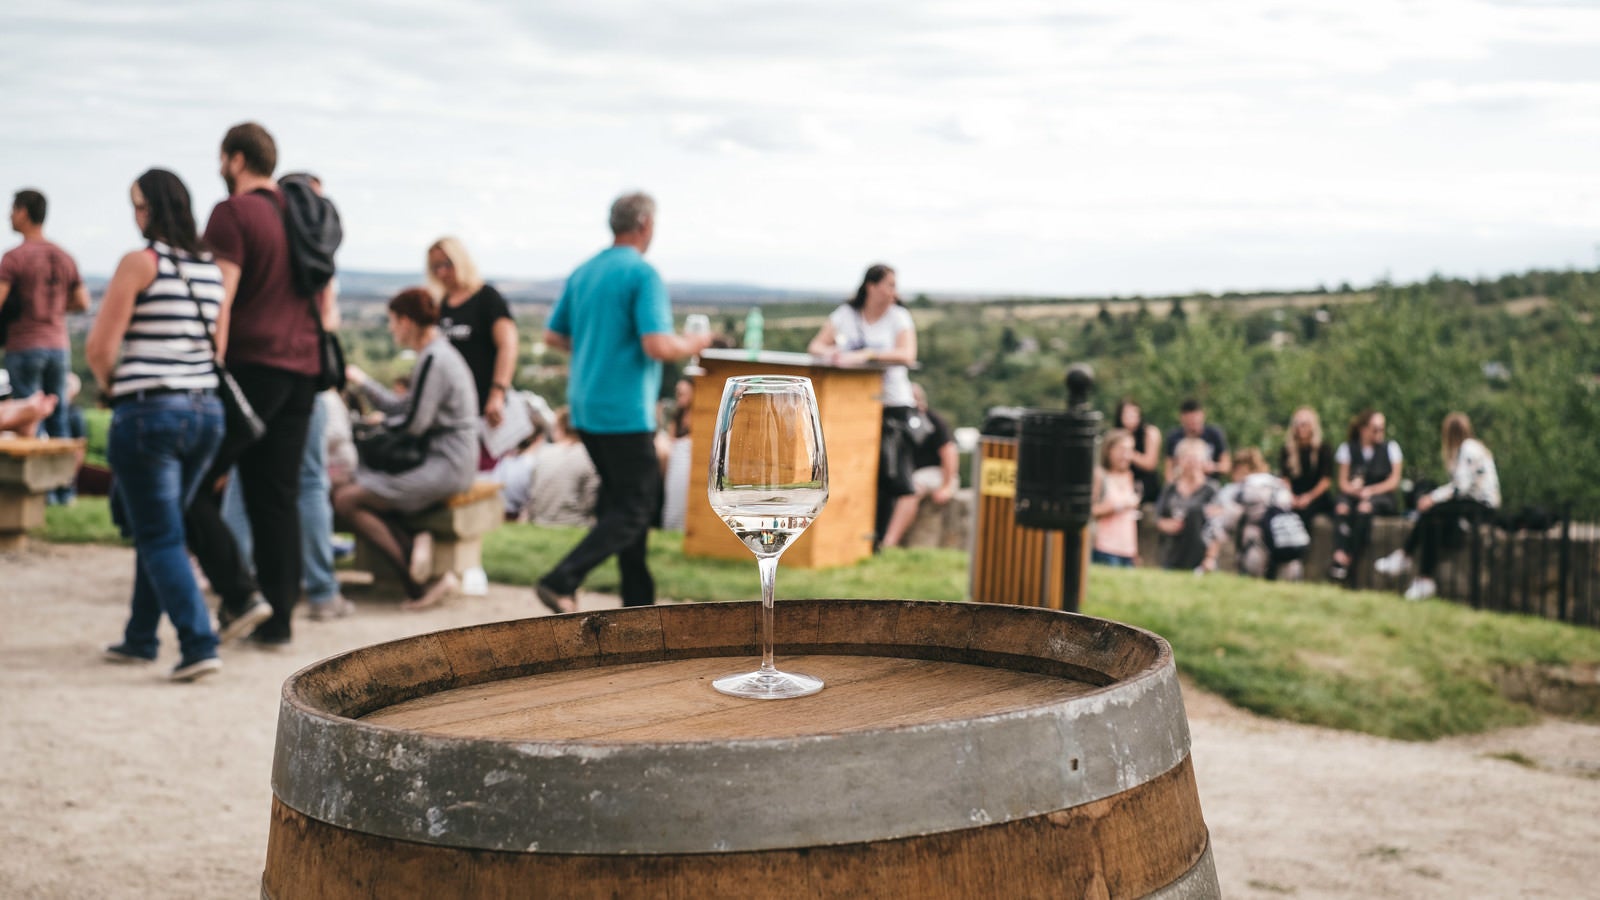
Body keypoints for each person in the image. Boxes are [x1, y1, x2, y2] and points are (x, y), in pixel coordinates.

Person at [533, 192, 712, 613]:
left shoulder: (584, 271)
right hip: (623, 410)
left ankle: (638, 605)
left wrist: (598, 344)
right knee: (637, 507)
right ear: (646, 223)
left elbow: (553, 336)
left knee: (620, 503)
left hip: (586, 406)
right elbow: (655, 344)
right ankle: (562, 578)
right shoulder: (642, 274)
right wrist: (695, 342)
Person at [183, 122, 324, 648]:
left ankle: (240, 594)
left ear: (235, 159)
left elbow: (221, 297)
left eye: (222, 159)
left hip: (250, 367)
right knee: (276, 497)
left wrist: (206, 368)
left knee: (191, 484)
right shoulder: (300, 214)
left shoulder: (233, 213)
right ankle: (278, 622)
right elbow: (324, 302)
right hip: (304, 369)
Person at [85, 169, 227, 681]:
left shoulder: (139, 263)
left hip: (150, 414)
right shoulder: (212, 269)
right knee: (159, 526)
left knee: (159, 532)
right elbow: (219, 349)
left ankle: (198, 642)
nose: (135, 216)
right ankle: (140, 636)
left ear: (156, 209)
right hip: (206, 413)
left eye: (138, 206)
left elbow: (100, 348)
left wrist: (109, 385)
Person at [337, 288, 479, 609]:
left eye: (393, 321)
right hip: (444, 460)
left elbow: (413, 423)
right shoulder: (437, 354)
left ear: (408, 321)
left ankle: (417, 583)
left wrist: (373, 428)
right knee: (353, 491)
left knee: (347, 499)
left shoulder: (435, 358)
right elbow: (403, 408)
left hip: (447, 465)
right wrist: (363, 383)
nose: (390, 329)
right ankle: (417, 554)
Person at [806, 263, 919, 546]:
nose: (894, 291)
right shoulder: (846, 315)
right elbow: (815, 346)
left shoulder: (899, 317)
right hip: (853, 408)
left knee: (887, 474)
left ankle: (879, 540)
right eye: (889, 284)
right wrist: (834, 353)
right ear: (871, 285)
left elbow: (907, 355)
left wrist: (868, 355)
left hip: (891, 405)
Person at [0, 188, 91, 481]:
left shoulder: (14, 258)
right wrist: (51, 309)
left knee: (29, 417)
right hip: (58, 345)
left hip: (24, 344)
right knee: (59, 417)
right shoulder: (64, 256)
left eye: (13, 209)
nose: (10, 215)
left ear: (24, 212)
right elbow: (83, 302)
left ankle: (35, 486)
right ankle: (63, 490)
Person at [1374, 413, 1501, 600]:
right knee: (1433, 520)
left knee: (1432, 513)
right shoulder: (1474, 448)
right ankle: (1417, 571)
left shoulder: (1467, 448)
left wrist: (1432, 498)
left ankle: (1408, 560)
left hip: (1481, 507)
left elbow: (1461, 487)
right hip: (1475, 505)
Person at [426, 237, 519, 457]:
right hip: (451, 412)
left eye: (446, 264)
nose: (442, 273)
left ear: (461, 261)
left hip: (485, 408)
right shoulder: (440, 305)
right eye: (435, 267)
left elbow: (508, 345)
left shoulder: (487, 298)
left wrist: (497, 393)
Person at [1203, 447, 1302, 580]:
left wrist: (1209, 557)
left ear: (1239, 468)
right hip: (1287, 545)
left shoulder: (1244, 488)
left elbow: (1225, 523)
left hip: (1257, 548)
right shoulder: (1278, 484)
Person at [1329, 409, 1403, 583]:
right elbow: (1342, 482)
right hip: (1353, 495)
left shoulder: (1391, 448)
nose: (1379, 433)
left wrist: (1370, 491)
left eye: (1381, 429)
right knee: (1342, 507)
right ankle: (1339, 554)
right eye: (1375, 429)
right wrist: (1355, 490)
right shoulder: (1348, 448)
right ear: (1363, 429)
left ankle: (1348, 559)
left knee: (1364, 509)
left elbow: (1393, 481)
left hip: (1381, 497)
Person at [881, 382, 958, 548]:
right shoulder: (895, 422)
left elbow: (949, 452)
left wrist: (947, 485)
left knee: (911, 488)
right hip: (911, 472)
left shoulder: (932, 420)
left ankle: (888, 543)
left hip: (936, 472)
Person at [526, 407, 600, 527]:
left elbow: (532, 497)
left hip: (540, 522)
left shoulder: (542, 453)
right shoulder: (589, 456)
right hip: (576, 524)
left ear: (560, 429)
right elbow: (591, 503)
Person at [1154, 437, 1220, 571]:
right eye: (1186, 458)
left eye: (1195, 458)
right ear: (1178, 461)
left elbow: (1218, 527)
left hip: (1201, 556)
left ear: (1203, 461)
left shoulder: (1211, 490)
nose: (1191, 463)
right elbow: (1157, 517)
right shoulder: (1170, 489)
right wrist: (1167, 525)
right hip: (1172, 553)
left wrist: (1211, 557)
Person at [1091, 429, 1141, 567]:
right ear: (1109, 450)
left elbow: (1131, 518)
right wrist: (1117, 506)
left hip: (1127, 550)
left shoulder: (1129, 476)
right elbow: (1090, 511)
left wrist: (1135, 551)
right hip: (1105, 547)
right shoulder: (1100, 475)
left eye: (1130, 450)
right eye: (1122, 449)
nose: (1126, 455)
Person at [1278, 406, 1333, 530]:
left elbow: (1326, 480)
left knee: (1305, 513)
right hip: (1295, 494)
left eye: (1304, 424)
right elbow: (1285, 478)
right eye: (1297, 424)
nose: (1300, 427)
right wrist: (1291, 497)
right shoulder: (1287, 450)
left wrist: (1309, 497)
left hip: (1316, 496)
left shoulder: (1323, 449)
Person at [657, 377, 694, 531]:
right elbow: (671, 440)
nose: (679, 396)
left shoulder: (699, 416)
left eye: (683, 393)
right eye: (678, 393)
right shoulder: (677, 416)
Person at [1163, 398, 1230, 481]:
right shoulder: (1174, 437)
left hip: (1209, 483)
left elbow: (1226, 466)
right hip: (1182, 485)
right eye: (1189, 421)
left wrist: (1212, 467)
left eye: (1195, 420)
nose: (1193, 424)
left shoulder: (1214, 434)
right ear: (1182, 418)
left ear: (1202, 415)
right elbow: (1168, 470)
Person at [1114, 398, 1162, 506]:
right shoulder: (1116, 435)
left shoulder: (1149, 432)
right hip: (1122, 484)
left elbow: (1150, 464)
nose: (1130, 417)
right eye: (1127, 414)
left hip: (1146, 487)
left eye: (1134, 413)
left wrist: (1129, 454)